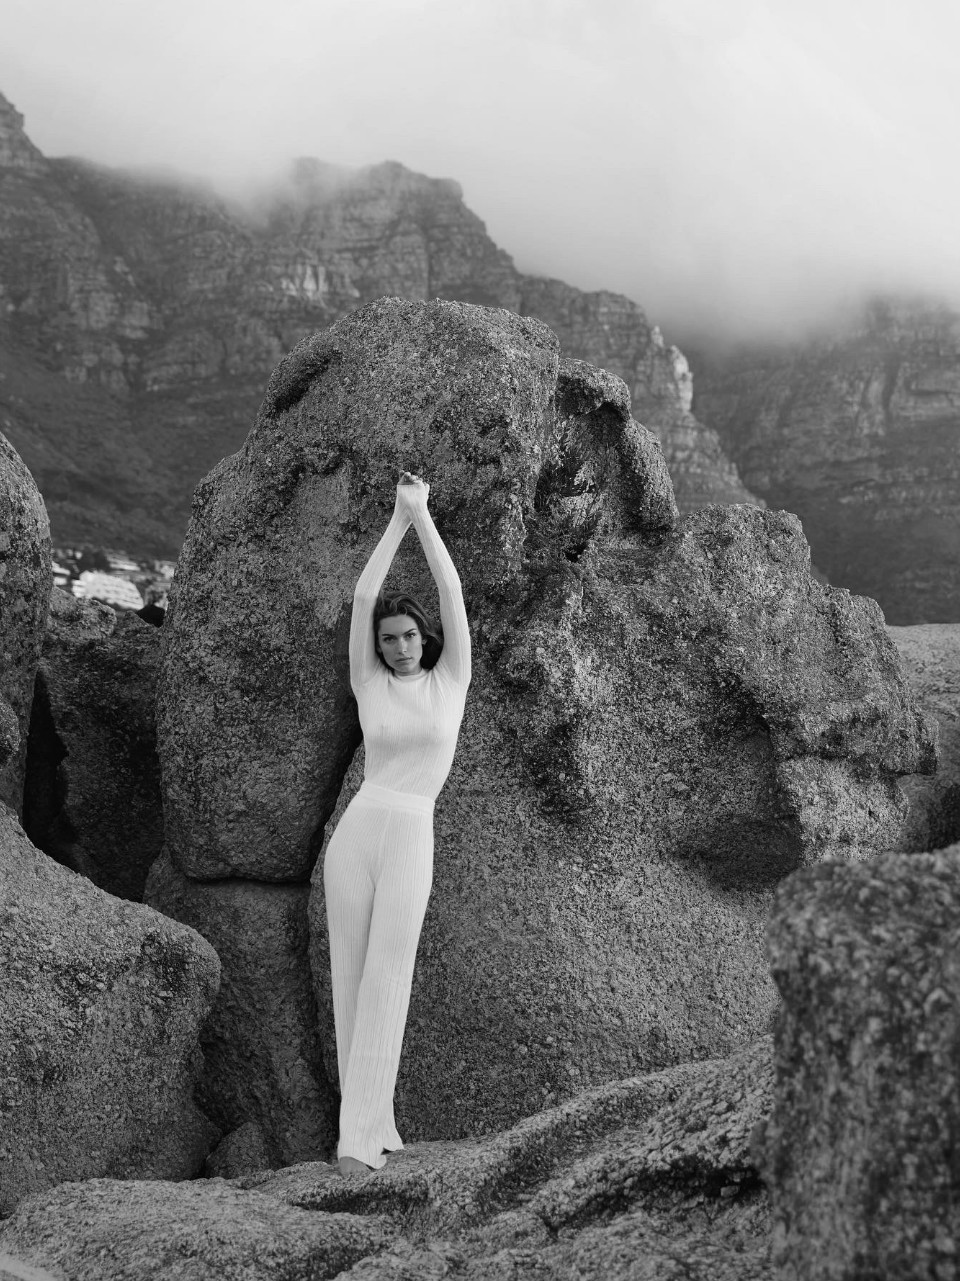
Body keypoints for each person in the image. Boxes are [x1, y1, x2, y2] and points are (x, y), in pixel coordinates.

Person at [324, 471, 471, 1177]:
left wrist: (421, 516)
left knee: (389, 979)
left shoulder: (451, 682)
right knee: (351, 981)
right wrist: (394, 521)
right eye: (389, 639)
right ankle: (364, 1128)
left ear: (425, 638)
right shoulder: (369, 683)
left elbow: (452, 592)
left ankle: (362, 1137)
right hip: (358, 833)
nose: (400, 646)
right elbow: (362, 597)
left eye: (409, 635)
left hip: (412, 832)